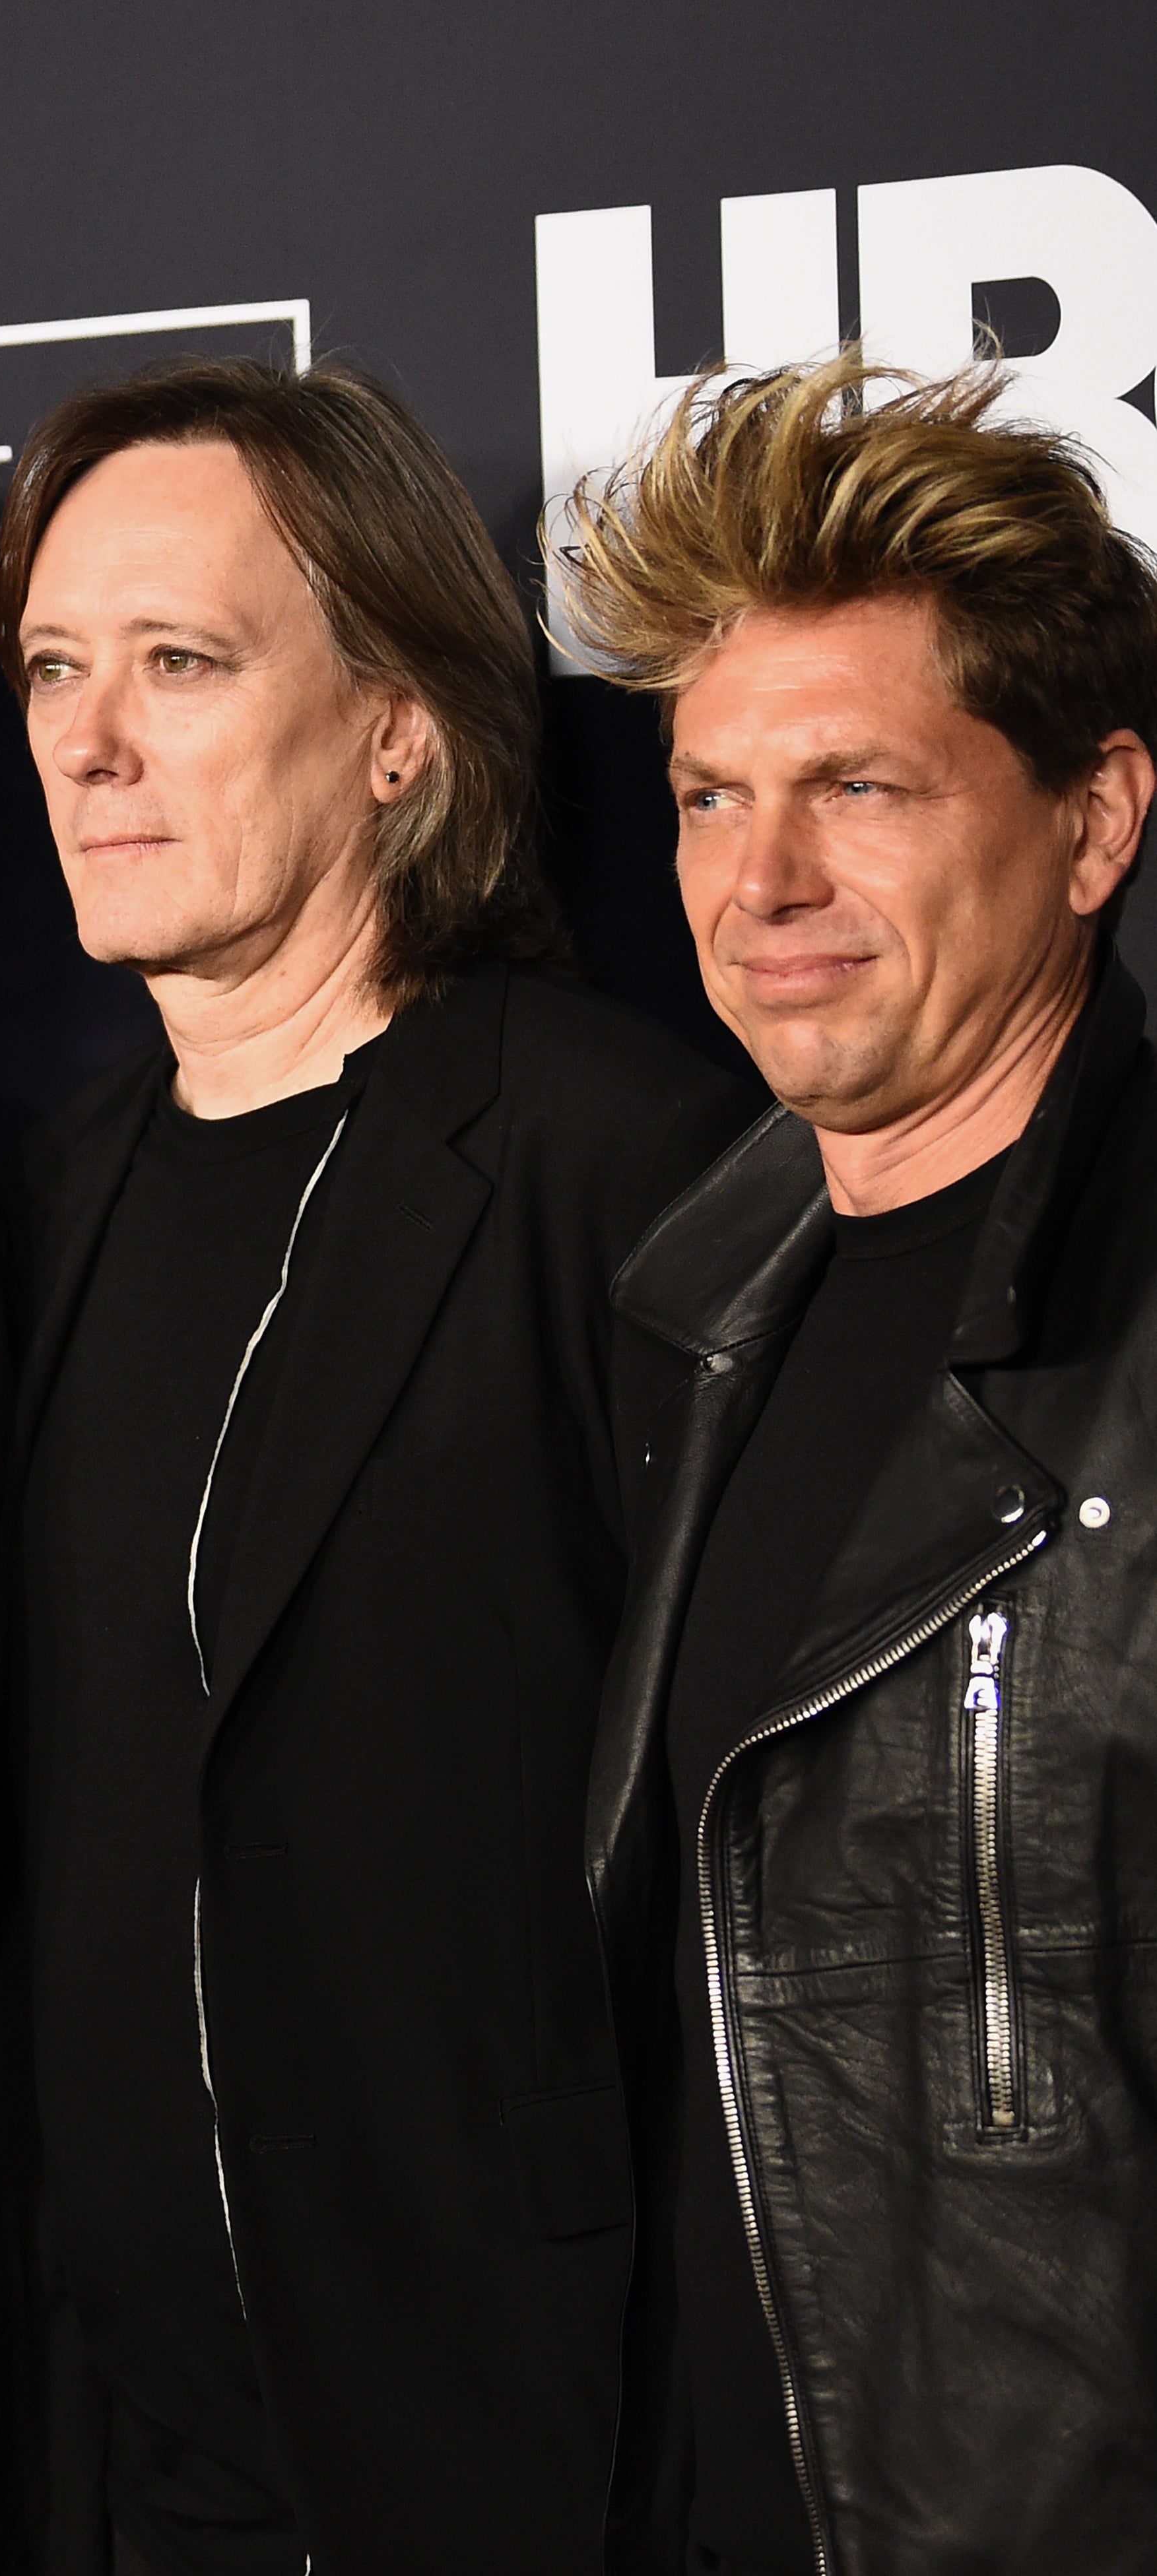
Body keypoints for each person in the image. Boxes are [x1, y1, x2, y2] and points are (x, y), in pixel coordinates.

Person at [0, 358, 755, 2576]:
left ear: (398, 728)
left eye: (178, 666)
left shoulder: (610, 1160)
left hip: (519, 2451)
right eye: (54, 672)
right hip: (129, 2467)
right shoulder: (38, 1206)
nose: (86, 745)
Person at [559, 355, 1157, 2575]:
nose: (764, 877)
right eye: (712, 797)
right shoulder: (691, 1311)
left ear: (1094, 821)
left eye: (860, 790)